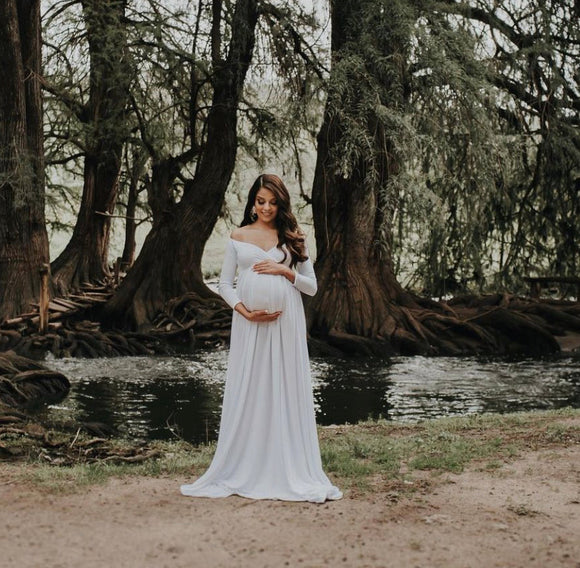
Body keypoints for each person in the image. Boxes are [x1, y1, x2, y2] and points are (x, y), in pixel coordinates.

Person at [180, 174, 342, 503]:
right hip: (250, 324)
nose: (266, 207)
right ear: (253, 202)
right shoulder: (239, 236)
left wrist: (284, 270)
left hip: (286, 324)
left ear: (281, 203)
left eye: (272, 202)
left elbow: (311, 286)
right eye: (260, 201)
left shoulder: (293, 237)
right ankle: (247, 462)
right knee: (251, 384)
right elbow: (225, 284)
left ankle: (286, 464)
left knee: (283, 383)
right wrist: (245, 311)